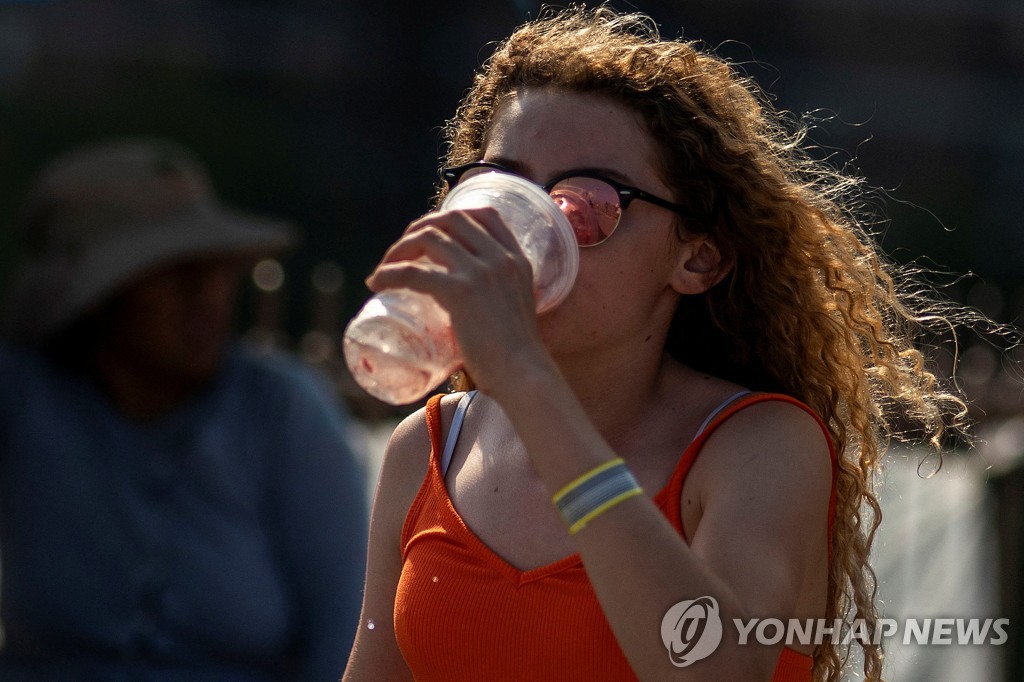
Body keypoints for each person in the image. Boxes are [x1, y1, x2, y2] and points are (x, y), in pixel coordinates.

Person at [343, 8, 972, 682]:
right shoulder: (429, 447)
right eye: (501, 187)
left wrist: (527, 380)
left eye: (584, 205)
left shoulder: (760, 445)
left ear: (697, 261)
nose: (524, 231)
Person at [0, 138, 368, 680]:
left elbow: (347, 632)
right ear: (99, 298)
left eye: (217, 270)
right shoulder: (26, 399)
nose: (210, 295)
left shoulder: (281, 411)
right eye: (176, 274)